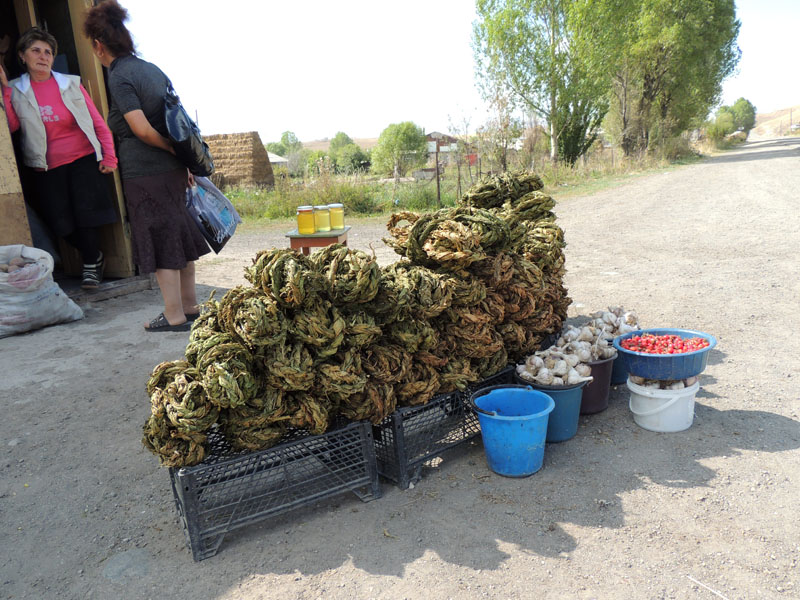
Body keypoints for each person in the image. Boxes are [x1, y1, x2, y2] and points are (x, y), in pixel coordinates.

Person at [83, 0, 211, 332]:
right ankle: (190, 305)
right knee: (179, 235)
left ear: (98, 45)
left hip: (145, 174)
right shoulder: (152, 69)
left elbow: (140, 128)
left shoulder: (120, 75)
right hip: (171, 171)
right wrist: (179, 156)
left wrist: (167, 147)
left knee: (160, 239)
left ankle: (173, 314)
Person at [0, 27, 118, 289]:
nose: (43, 56)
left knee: (87, 216)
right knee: (59, 222)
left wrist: (109, 154)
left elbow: (97, 122)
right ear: (22, 56)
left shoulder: (70, 84)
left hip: (82, 158)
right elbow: (11, 127)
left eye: (48, 52)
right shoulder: (18, 90)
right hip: (45, 165)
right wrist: (6, 91)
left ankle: (90, 264)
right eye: (36, 51)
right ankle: (94, 256)